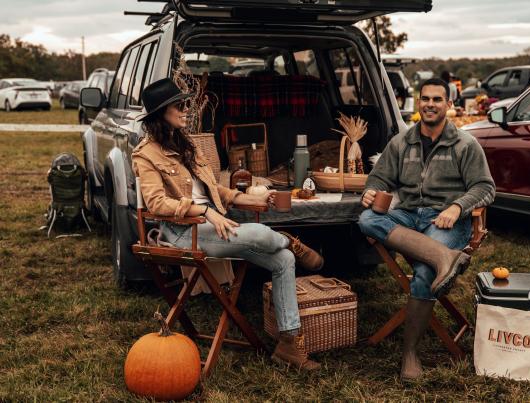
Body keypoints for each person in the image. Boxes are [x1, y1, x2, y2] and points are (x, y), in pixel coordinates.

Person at [132, 78, 324, 370]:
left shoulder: (187, 145)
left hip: (213, 227)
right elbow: (157, 203)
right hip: (185, 233)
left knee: (283, 260)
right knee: (262, 233)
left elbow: (215, 189)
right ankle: (289, 239)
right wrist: (205, 212)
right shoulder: (145, 155)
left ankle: (289, 345)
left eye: (186, 104)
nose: (187, 110)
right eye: (180, 105)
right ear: (161, 113)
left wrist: (249, 198)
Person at [357, 78, 495, 380]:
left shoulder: (464, 144)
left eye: (437, 99)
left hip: (443, 220)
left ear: (448, 105)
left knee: (424, 274)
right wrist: (372, 191)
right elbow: (378, 179)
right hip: (408, 215)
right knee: (367, 219)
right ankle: (443, 257)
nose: (430, 104)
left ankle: (410, 354)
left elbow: (486, 187)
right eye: (425, 99)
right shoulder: (401, 142)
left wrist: (457, 207)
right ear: (419, 104)